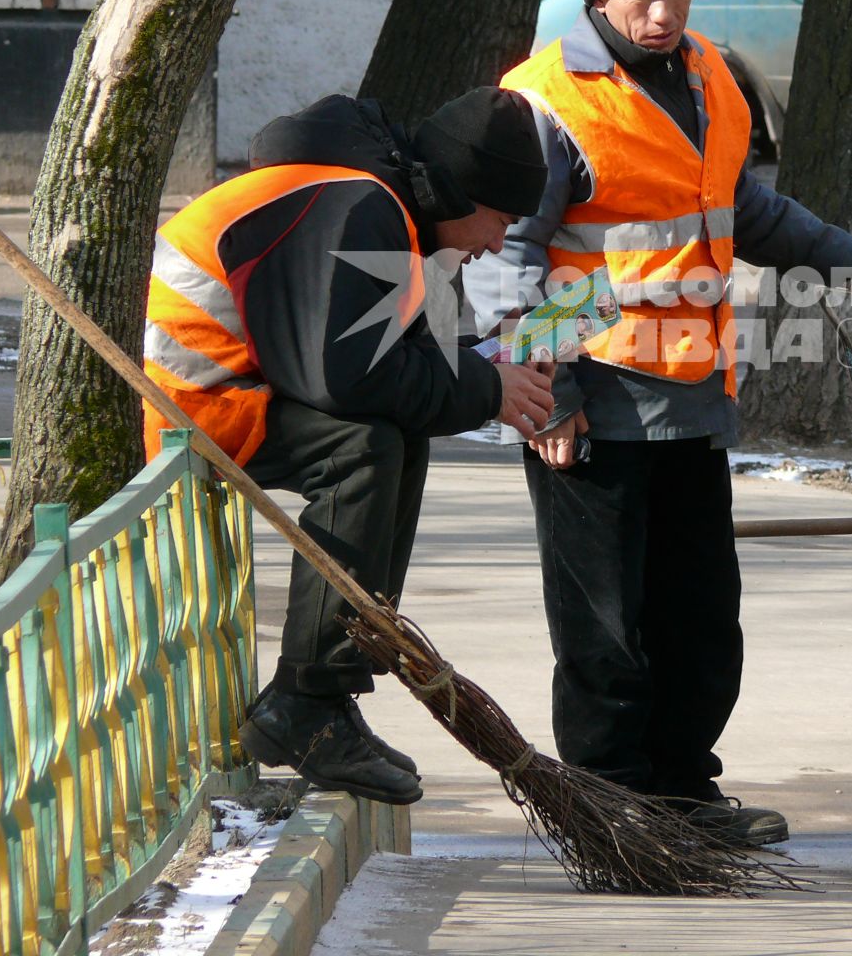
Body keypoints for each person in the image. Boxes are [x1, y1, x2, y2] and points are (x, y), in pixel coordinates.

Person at [464, 0, 852, 847]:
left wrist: (851, 257)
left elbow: (741, 207)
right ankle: (613, 810)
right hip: (593, 403)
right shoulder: (547, 100)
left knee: (700, 627)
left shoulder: (709, 78)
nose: (661, 15)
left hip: (693, 402)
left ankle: (682, 797)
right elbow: (509, 259)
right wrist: (545, 392)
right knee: (605, 636)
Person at [142, 88, 556, 805]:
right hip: (198, 405)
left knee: (394, 438)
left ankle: (329, 690)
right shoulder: (355, 204)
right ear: (463, 190)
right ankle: (307, 701)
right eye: (501, 219)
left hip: (247, 388)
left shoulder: (398, 214)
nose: (498, 241)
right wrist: (486, 391)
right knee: (360, 447)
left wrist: (488, 369)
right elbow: (344, 377)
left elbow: (416, 359)